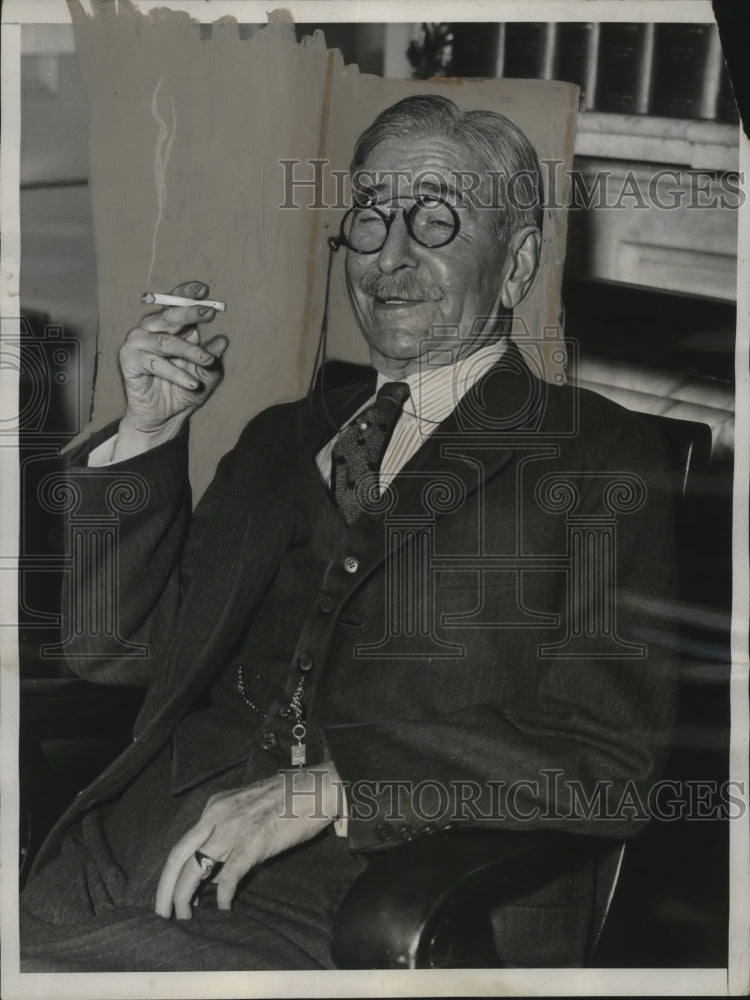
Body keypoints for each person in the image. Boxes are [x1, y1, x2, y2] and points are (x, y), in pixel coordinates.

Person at [20, 95, 677, 971]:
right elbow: (114, 652)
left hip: (368, 906)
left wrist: (336, 787)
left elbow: (606, 759)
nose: (393, 254)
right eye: (370, 218)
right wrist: (148, 433)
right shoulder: (277, 440)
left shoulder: (598, 454)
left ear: (516, 266)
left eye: (438, 219)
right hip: (118, 861)